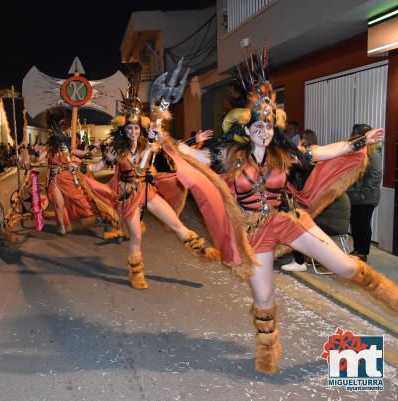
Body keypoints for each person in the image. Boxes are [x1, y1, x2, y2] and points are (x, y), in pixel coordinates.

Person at [159, 47, 397, 374]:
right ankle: (268, 354)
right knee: (264, 298)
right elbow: (190, 157)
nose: (264, 129)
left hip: (288, 220)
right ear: (247, 128)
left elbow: (322, 152)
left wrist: (360, 141)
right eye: (258, 125)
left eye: (269, 125)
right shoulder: (229, 155)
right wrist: (162, 132)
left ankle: (392, 299)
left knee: (344, 266)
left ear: (274, 128)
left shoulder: (284, 154)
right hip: (254, 234)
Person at [83, 96, 219, 289]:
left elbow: (173, 148)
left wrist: (194, 141)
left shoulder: (150, 144)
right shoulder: (116, 150)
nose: (133, 131)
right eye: (129, 128)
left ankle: (202, 249)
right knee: (137, 236)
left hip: (147, 191)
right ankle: (136, 272)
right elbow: (97, 166)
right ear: (124, 129)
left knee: (175, 223)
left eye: (136, 127)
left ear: (141, 128)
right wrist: (80, 167)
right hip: (128, 196)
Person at [44, 108, 118, 236]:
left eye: (61, 126)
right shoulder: (49, 145)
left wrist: (93, 146)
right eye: (58, 126)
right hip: (54, 178)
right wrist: (35, 152)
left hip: (67, 177)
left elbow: (82, 153)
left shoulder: (66, 144)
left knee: (81, 199)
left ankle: (96, 214)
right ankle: (62, 225)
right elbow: (39, 157)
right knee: (58, 203)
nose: (60, 129)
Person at [281, 129, 318, 272]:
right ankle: (300, 258)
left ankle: (300, 261)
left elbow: (297, 166)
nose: (302, 140)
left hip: (301, 194)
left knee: (296, 225)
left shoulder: (308, 155)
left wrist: (297, 149)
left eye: (304, 138)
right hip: (302, 193)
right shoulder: (309, 154)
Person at [347, 123, 382, 262]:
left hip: (365, 196)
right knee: (355, 223)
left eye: (355, 133)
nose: (352, 136)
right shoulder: (359, 150)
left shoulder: (372, 151)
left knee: (362, 224)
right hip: (356, 195)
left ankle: (362, 253)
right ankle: (357, 250)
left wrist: (363, 192)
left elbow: (376, 173)